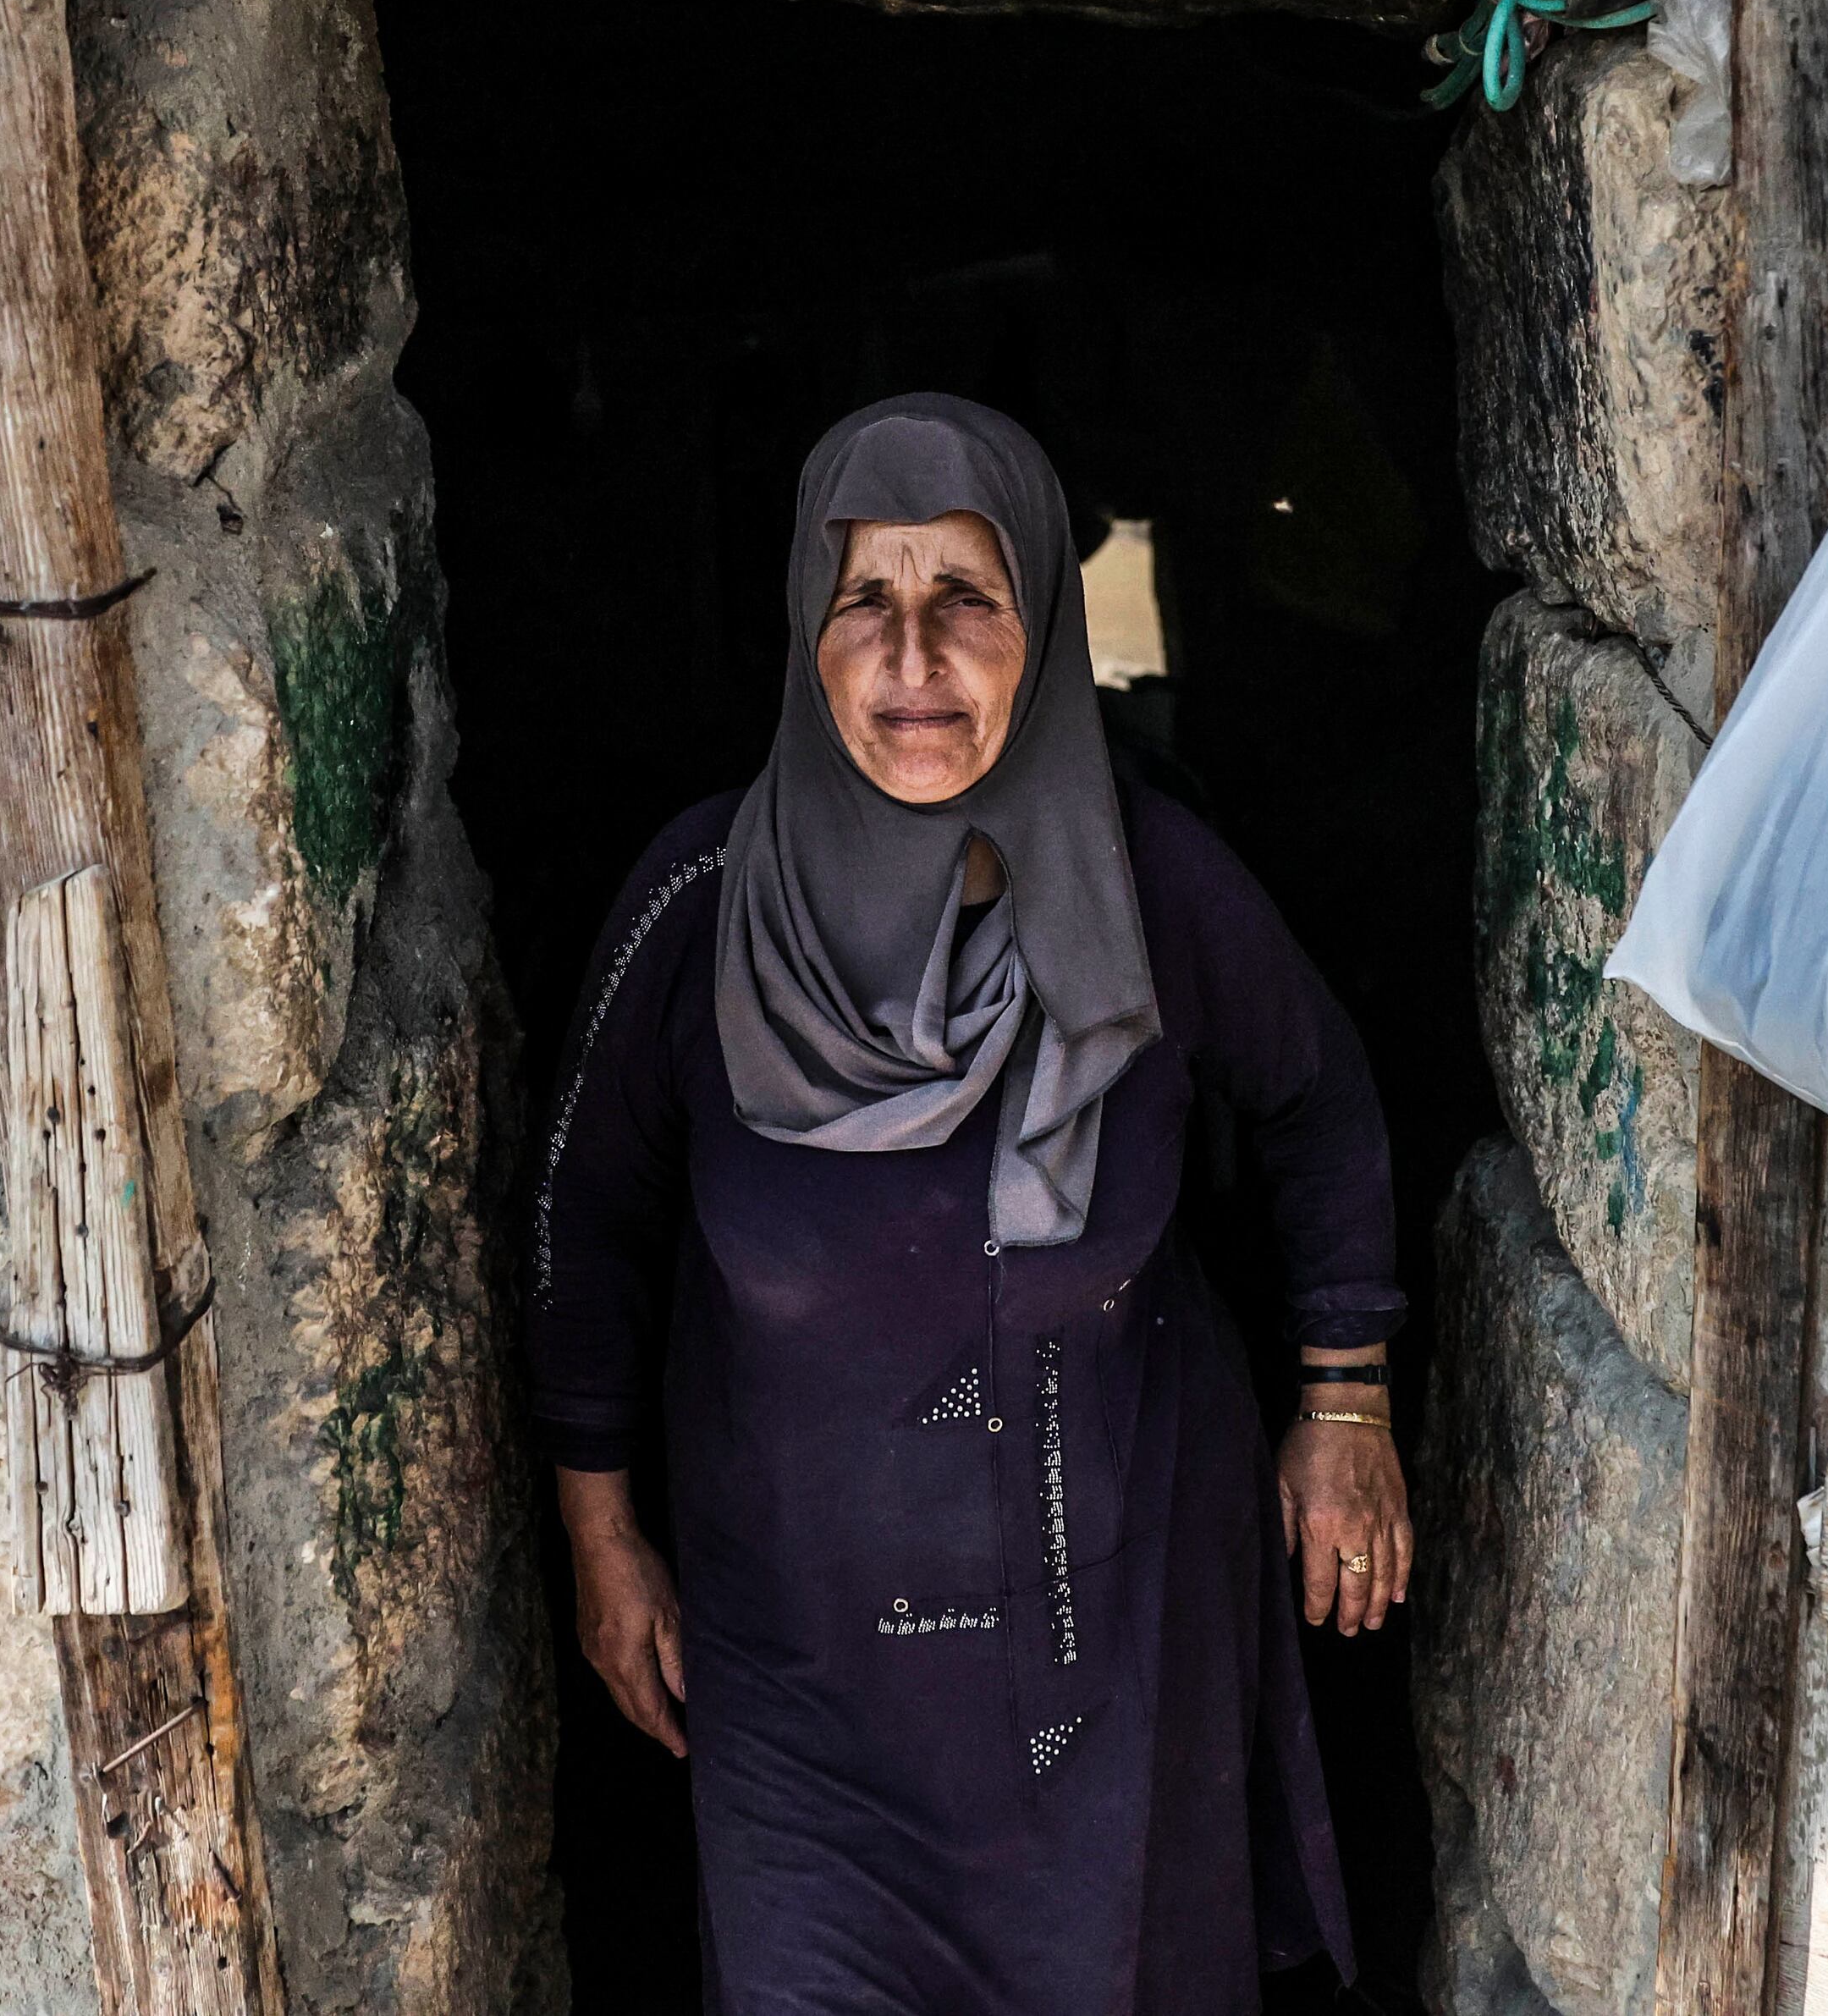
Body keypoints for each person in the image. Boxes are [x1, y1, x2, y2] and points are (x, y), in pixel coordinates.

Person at [530, 392, 1415, 2013]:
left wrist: (1344, 1399)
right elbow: (587, 1233)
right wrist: (599, 1535)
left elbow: (1318, 1101)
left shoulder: (1151, 885)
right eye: (868, 598)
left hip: (1117, 1631)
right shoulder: (699, 907)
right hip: (805, 1683)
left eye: (967, 600)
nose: (912, 654)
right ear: (810, 633)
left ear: (1043, 631)